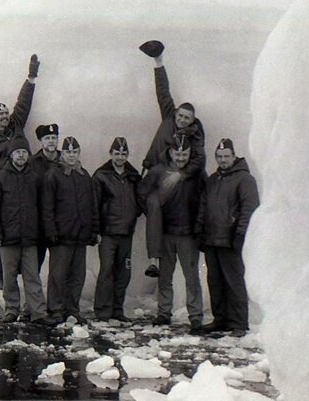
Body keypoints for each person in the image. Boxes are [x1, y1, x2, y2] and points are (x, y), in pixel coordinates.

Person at [139, 40, 206, 278]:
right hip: (155, 172)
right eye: (181, 115)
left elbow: (199, 161)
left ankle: (161, 258)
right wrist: (158, 62)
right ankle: (154, 258)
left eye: (188, 118)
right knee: (150, 206)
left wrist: (182, 173)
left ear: (192, 120)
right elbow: (163, 91)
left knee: (162, 208)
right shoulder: (169, 116)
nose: (183, 119)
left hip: (175, 178)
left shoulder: (196, 135)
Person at [0, 54, 41, 289]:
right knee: (4, 238)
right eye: (0, 115)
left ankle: (29, 280)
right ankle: (3, 281)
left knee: (29, 232)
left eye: (6, 113)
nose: (5, 117)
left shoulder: (16, 125)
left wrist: (31, 77)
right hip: (4, 190)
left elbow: (23, 103)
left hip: (27, 184)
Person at [0, 137, 57, 326]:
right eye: (18, 152)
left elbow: (43, 207)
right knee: (9, 277)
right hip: (8, 238)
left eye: (24, 152)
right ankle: (11, 309)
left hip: (31, 238)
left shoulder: (35, 178)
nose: (21, 155)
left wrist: (42, 232)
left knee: (32, 276)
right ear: (11, 155)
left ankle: (38, 312)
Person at [138, 135, 204, 333]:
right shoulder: (158, 171)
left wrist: (199, 222)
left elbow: (206, 197)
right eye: (178, 154)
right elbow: (142, 192)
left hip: (188, 234)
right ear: (170, 152)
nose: (181, 158)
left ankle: (195, 316)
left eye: (185, 154)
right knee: (164, 276)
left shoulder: (197, 174)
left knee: (191, 276)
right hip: (165, 233)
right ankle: (164, 312)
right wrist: (153, 211)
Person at [195, 138, 260, 337]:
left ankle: (239, 323)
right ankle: (220, 319)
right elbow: (204, 206)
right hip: (212, 239)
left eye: (226, 156)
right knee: (215, 281)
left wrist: (240, 234)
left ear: (234, 156)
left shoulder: (244, 179)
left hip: (230, 239)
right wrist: (200, 229)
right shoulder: (213, 180)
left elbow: (249, 208)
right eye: (220, 157)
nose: (223, 160)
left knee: (234, 281)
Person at [42, 136, 99, 324]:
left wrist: (93, 230)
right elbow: (47, 207)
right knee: (58, 274)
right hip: (62, 236)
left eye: (75, 152)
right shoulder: (54, 175)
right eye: (68, 152)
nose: (71, 155)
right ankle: (56, 309)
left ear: (79, 153)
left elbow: (92, 206)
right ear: (62, 153)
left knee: (77, 276)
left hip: (80, 236)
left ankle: (72, 309)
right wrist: (51, 231)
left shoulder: (84, 176)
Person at [92, 137, 143, 322]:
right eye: (117, 153)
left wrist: (133, 214)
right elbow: (94, 205)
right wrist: (96, 230)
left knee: (124, 272)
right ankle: (102, 311)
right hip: (108, 233)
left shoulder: (133, 175)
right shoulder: (101, 175)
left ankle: (117, 309)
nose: (120, 157)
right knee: (106, 271)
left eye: (123, 153)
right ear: (111, 154)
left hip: (126, 233)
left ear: (127, 155)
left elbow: (140, 200)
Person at [28, 123, 61, 269]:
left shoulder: (65, 161)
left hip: (60, 221)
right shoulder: (32, 163)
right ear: (41, 141)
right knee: (35, 263)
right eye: (47, 138)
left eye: (54, 137)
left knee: (60, 265)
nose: (51, 141)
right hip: (39, 223)